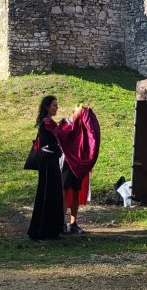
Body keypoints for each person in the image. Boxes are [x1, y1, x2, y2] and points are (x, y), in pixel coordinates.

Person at [58, 103, 101, 234]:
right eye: (79, 111)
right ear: (73, 111)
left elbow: (89, 143)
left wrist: (88, 163)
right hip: (66, 163)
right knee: (64, 192)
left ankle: (73, 223)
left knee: (76, 192)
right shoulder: (65, 124)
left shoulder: (83, 126)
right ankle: (62, 223)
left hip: (79, 164)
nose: (81, 114)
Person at [28, 95, 65, 240]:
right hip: (48, 160)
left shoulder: (49, 122)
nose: (57, 108)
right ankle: (45, 230)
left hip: (50, 159)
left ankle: (50, 229)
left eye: (57, 105)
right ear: (47, 107)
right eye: (54, 105)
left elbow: (57, 132)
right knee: (49, 192)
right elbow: (59, 134)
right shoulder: (47, 122)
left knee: (51, 191)